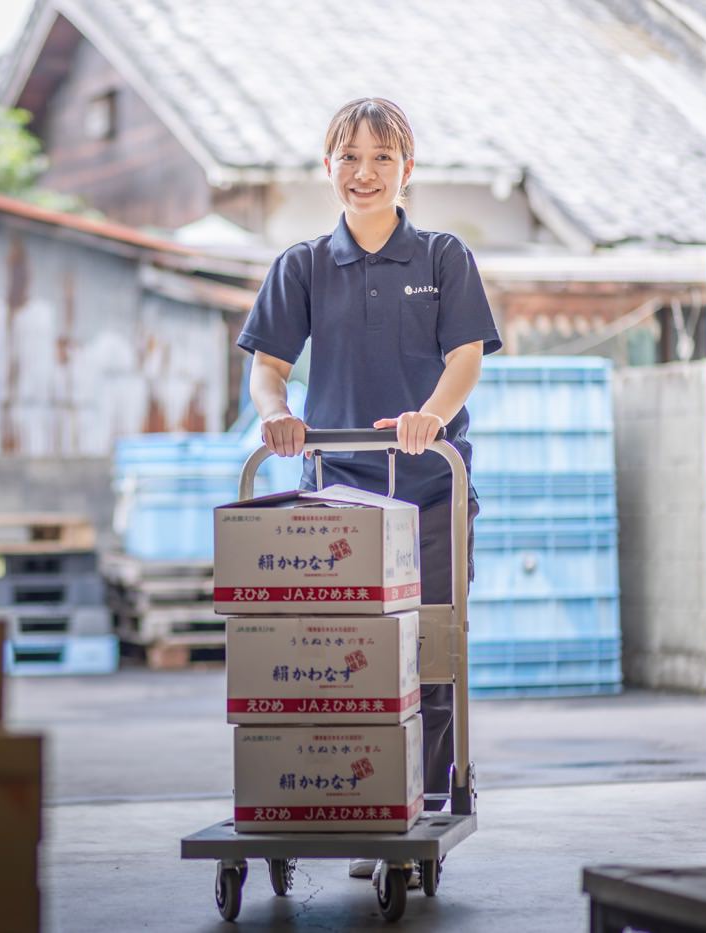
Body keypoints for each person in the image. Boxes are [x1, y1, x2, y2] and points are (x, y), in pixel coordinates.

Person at [236, 97, 501, 880]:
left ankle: (422, 803)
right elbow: (267, 366)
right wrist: (278, 414)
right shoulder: (304, 265)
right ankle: (350, 803)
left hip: (429, 491)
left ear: (406, 169)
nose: (364, 172)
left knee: (431, 652)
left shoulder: (442, 257)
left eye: (381, 158)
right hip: (340, 499)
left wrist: (430, 416)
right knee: (343, 660)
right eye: (348, 157)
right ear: (329, 168)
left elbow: (465, 357)